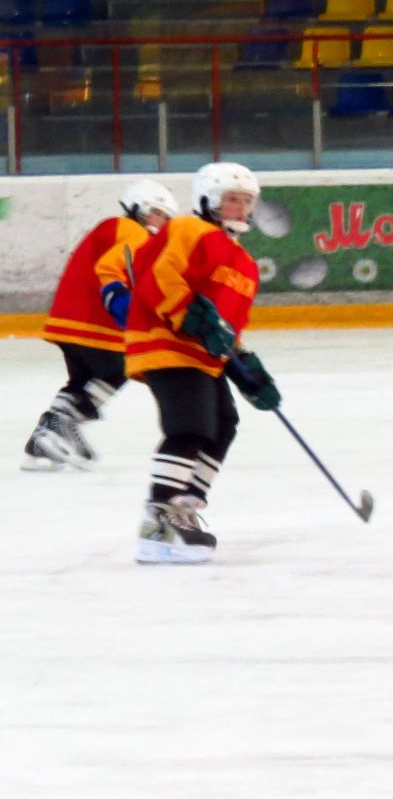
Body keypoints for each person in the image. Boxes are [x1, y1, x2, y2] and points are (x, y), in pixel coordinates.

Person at [126, 163, 280, 564]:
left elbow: (226, 329)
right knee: (189, 426)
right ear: (208, 200)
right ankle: (158, 521)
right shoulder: (187, 230)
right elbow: (156, 274)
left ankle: (185, 505)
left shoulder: (243, 262)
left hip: (202, 357)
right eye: (232, 199)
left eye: (247, 201)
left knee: (223, 424)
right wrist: (187, 314)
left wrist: (246, 367)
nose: (240, 208)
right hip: (166, 342)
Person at [23, 179, 177, 470]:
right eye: (159, 213)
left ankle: (44, 439)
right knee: (119, 370)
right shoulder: (132, 231)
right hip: (96, 323)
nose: (164, 222)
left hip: (69, 320)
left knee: (81, 381)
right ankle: (57, 428)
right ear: (140, 209)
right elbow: (119, 264)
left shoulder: (109, 227)